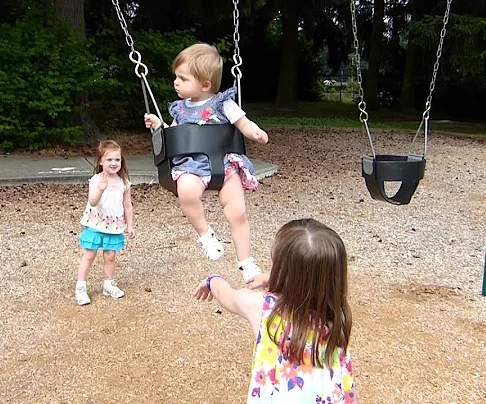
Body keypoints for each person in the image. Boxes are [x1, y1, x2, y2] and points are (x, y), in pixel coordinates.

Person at [194, 218, 357, 403]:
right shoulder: (336, 316)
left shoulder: (265, 310)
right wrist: (273, 280)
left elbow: (226, 295)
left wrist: (213, 280)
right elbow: (311, 286)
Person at [144, 43, 268, 283]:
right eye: (176, 77)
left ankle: (247, 262)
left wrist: (256, 133)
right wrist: (160, 126)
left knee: (237, 212)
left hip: (225, 164)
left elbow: (243, 123)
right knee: (186, 192)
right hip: (192, 165)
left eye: (182, 78)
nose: (176, 83)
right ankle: (206, 235)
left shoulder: (224, 103)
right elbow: (175, 135)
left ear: (205, 84)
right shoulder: (179, 110)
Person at [75, 140, 135, 305]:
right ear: (101, 161)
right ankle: (80, 287)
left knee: (110, 256)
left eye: (117, 159)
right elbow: (93, 202)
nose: (114, 163)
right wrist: (101, 189)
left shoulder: (124, 182)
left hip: (114, 225)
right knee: (89, 254)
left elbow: (127, 205)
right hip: (96, 224)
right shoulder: (96, 180)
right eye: (109, 160)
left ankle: (108, 284)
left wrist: (130, 225)